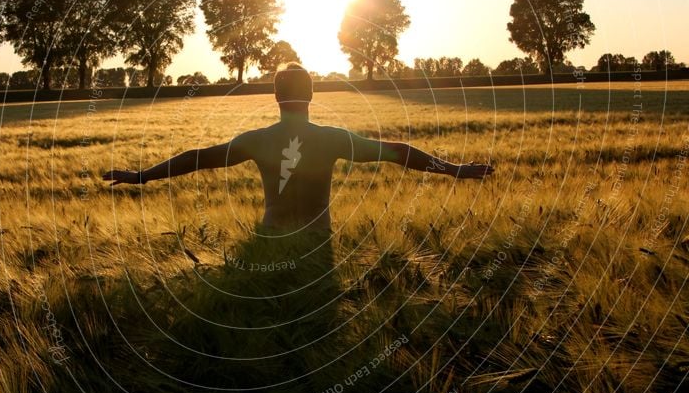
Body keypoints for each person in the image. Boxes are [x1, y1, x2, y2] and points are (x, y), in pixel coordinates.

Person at [101, 63, 494, 233]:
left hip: (268, 241)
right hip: (318, 245)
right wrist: (454, 169)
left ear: (274, 95)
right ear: (312, 94)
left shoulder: (256, 140)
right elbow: (400, 151)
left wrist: (142, 176)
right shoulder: (333, 139)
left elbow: (198, 159)